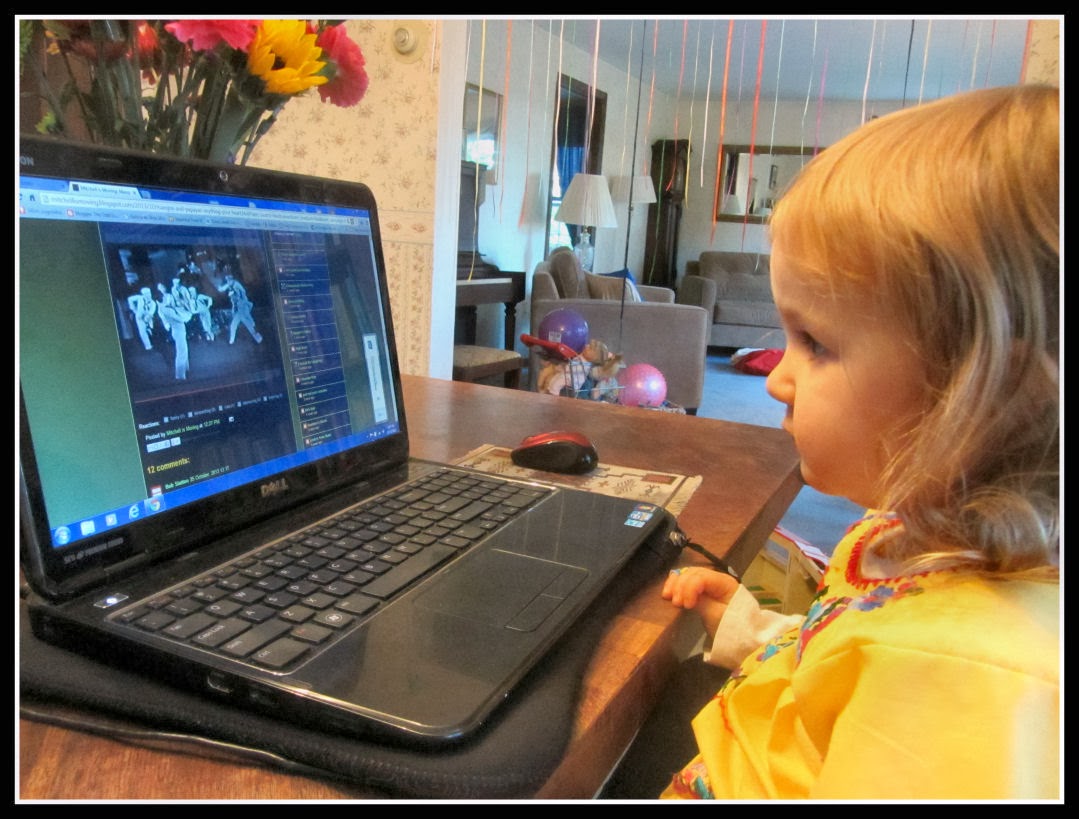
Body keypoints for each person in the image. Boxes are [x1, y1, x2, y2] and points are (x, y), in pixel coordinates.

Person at [658, 85, 1059, 801]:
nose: (777, 378)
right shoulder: (911, 539)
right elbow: (845, 662)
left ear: (993, 396)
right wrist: (757, 632)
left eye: (814, 342)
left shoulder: (959, 673)